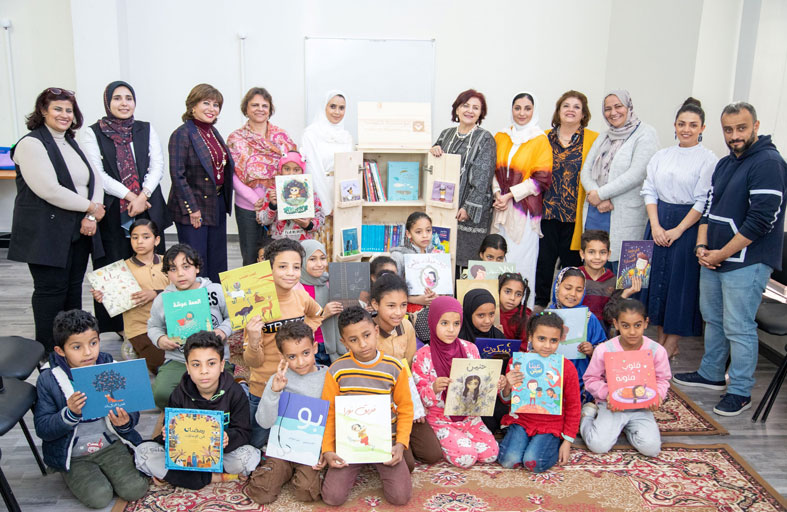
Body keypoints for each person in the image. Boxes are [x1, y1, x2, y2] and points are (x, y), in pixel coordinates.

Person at [674, 102, 787, 416]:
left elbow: (761, 221)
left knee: (739, 326)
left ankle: (740, 391)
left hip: (747, 262)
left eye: (741, 128)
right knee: (713, 318)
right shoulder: (725, 163)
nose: (734, 135)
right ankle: (711, 374)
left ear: (756, 126)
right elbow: (708, 209)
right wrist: (701, 247)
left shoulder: (769, 163)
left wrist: (721, 253)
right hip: (713, 258)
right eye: (728, 129)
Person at [9, 87, 105, 353]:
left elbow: (95, 179)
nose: (64, 115)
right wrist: (91, 207)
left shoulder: (72, 142)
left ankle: (72, 350)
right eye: (58, 109)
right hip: (46, 234)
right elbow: (49, 190)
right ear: (43, 111)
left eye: (69, 110)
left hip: (78, 230)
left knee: (73, 291)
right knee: (51, 293)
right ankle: (48, 354)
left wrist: (91, 214)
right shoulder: (31, 144)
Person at [33, 310, 148, 509]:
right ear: (60, 351)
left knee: (135, 490)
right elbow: (43, 428)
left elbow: (132, 410)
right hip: (75, 455)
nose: (88, 353)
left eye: (93, 343)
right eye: (77, 347)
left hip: (110, 445)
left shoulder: (110, 366)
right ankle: (69, 473)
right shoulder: (49, 379)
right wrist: (69, 414)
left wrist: (125, 422)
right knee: (99, 498)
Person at [83, 81, 171, 334]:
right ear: (107, 102)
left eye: (128, 98)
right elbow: (97, 173)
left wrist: (143, 196)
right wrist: (131, 196)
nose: (124, 103)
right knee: (115, 264)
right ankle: (122, 328)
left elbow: (157, 165)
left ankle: (156, 319)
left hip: (148, 206)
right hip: (113, 210)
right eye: (117, 98)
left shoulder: (145, 129)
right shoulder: (93, 133)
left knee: (151, 262)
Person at [640, 98, 718, 358]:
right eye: (682, 123)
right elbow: (649, 190)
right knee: (656, 281)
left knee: (679, 283)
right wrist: (656, 226)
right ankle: (661, 340)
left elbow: (703, 200)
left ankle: (671, 343)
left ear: (702, 128)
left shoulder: (708, 159)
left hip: (687, 226)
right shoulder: (661, 156)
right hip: (657, 220)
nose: (686, 129)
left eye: (693, 125)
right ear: (674, 125)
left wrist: (678, 230)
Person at [135, 331, 260, 489]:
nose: (204, 371)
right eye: (196, 364)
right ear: (187, 367)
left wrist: (228, 437)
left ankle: (180, 477)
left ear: (222, 365)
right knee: (143, 452)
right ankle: (213, 477)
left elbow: (244, 432)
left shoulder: (235, 392)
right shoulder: (179, 394)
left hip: (219, 454)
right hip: (187, 455)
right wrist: (168, 435)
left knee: (250, 456)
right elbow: (169, 434)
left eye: (211, 363)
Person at [320, 306, 413, 506]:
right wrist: (328, 449)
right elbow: (329, 412)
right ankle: (362, 463)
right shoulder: (336, 371)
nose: (363, 344)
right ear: (344, 343)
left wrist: (400, 443)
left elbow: (405, 408)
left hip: (386, 442)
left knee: (400, 497)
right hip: (349, 444)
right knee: (332, 497)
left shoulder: (394, 367)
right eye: (353, 340)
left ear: (376, 331)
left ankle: (402, 456)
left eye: (367, 335)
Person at [244, 238, 323, 447]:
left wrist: (304, 333)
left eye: (296, 267)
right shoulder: (255, 304)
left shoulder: (301, 297)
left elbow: (318, 314)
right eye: (282, 267)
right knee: (256, 444)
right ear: (269, 269)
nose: (290, 273)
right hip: (263, 387)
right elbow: (252, 362)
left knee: (294, 444)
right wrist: (253, 340)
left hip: (296, 386)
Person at [412, 297, 503, 468]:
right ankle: (449, 440)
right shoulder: (423, 356)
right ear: (432, 322)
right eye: (444, 323)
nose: (451, 330)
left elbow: (480, 388)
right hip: (440, 418)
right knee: (466, 458)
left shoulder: (470, 349)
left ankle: (461, 439)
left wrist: (494, 385)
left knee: (490, 454)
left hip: (470, 417)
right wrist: (434, 388)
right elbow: (417, 398)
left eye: (456, 323)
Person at [245, 322, 327, 504]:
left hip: (311, 451)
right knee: (261, 492)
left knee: (307, 493)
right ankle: (280, 470)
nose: (301, 362)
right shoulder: (278, 380)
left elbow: (333, 419)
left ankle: (304, 474)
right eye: (292, 356)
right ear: (282, 357)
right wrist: (274, 392)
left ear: (315, 348)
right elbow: (264, 422)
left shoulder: (328, 377)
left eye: (305, 353)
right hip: (281, 450)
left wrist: (327, 450)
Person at [579, 90, 660, 271]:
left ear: (629, 107)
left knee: (629, 277)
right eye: (608, 109)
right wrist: (597, 196)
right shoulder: (605, 136)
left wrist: (600, 194)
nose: (613, 112)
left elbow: (637, 173)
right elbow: (586, 171)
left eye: (618, 106)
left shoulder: (646, 134)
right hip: (597, 214)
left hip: (628, 217)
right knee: (596, 275)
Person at [371, 273, 443, 469]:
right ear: (375, 304)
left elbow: (411, 367)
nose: (398, 312)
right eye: (391, 306)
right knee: (406, 464)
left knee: (433, 454)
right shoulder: (368, 333)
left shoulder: (407, 326)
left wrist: (415, 405)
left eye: (403, 305)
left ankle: (404, 435)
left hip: (405, 397)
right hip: (380, 402)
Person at [581, 299, 671, 457]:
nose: (632, 332)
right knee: (598, 445)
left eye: (637, 325)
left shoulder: (656, 350)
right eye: (625, 325)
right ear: (616, 324)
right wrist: (608, 394)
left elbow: (663, 379)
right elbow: (591, 379)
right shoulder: (605, 349)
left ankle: (628, 428)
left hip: (641, 407)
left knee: (651, 448)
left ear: (645, 323)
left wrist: (658, 395)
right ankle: (587, 416)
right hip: (612, 405)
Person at [147, 244, 232, 410]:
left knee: (224, 394)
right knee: (161, 394)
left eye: (186, 267)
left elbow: (233, 317)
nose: (180, 273)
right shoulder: (163, 299)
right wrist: (161, 339)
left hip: (215, 357)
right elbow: (153, 326)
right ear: (167, 273)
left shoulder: (215, 290)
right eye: (173, 269)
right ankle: (190, 405)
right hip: (179, 359)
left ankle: (195, 404)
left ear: (197, 268)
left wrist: (223, 331)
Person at [535, 91, 599, 307]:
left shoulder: (594, 139)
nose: (571, 110)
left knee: (571, 265)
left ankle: (567, 306)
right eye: (566, 106)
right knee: (543, 262)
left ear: (583, 114)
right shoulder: (543, 137)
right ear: (558, 111)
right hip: (547, 211)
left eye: (576, 107)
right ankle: (540, 305)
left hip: (575, 215)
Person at [167, 83, 234, 283]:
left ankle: (215, 298)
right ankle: (196, 300)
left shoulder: (212, 132)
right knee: (196, 261)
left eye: (216, 104)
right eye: (206, 103)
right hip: (193, 207)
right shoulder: (182, 134)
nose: (211, 108)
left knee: (217, 259)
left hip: (216, 202)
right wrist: (192, 209)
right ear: (192, 106)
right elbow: (177, 175)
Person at [492, 92, 553, 309]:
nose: (522, 113)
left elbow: (541, 179)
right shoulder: (502, 136)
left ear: (534, 111)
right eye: (517, 108)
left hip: (524, 213)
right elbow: (492, 170)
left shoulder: (539, 139)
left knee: (520, 262)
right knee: (498, 260)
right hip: (500, 208)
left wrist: (510, 195)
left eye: (527, 108)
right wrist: (497, 193)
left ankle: (522, 313)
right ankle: (496, 313)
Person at [498, 312, 580, 472]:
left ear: (560, 339)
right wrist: (507, 385)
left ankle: (550, 442)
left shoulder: (566, 367)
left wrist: (567, 441)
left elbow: (574, 406)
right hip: (521, 421)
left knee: (533, 462)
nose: (547, 345)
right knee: (509, 461)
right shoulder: (517, 362)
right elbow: (506, 400)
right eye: (541, 338)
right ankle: (524, 440)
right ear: (530, 336)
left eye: (553, 340)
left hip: (551, 425)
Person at [228, 87, 296, 266]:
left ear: (270, 109)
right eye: (255, 105)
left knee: (279, 257)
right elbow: (232, 176)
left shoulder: (282, 137)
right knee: (251, 256)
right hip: (248, 207)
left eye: (264, 106)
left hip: (278, 206)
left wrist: (273, 200)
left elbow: (295, 169)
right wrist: (256, 200)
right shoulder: (236, 138)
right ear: (246, 108)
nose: (260, 109)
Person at [91, 219, 168, 373]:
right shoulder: (120, 270)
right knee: (163, 365)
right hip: (141, 328)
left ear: (157, 240)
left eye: (146, 237)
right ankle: (131, 345)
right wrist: (103, 296)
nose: (140, 242)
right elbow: (114, 299)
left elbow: (183, 291)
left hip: (171, 325)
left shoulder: (169, 263)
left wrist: (156, 293)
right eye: (134, 237)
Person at [431, 89, 497, 268]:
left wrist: (468, 207)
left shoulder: (485, 138)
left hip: (469, 209)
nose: (470, 110)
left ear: (481, 113)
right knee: (441, 256)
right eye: (465, 105)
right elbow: (435, 163)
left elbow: (483, 177)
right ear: (457, 109)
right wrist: (434, 149)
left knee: (466, 262)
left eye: (476, 107)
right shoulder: (446, 134)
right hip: (444, 205)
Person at [301, 90, 353, 258]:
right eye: (332, 106)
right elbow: (312, 169)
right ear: (324, 107)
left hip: (341, 193)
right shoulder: (311, 134)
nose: (337, 112)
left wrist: (343, 201)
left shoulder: (346, 136)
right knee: (320, 244)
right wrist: (326, 205)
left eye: (341, 108)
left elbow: (350, 168)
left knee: (340, 244)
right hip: (319, 192)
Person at [548, 267, 607, 394]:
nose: (573, 294)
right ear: (557, 287)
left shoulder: (589, 318)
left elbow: (604, 349)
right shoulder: (545, 317)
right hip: (549, 378)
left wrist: (592, 350)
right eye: (568, 288)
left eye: (579, 290)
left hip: (580, 379)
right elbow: (533, 346)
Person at [458, 288, 507, 432]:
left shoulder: (498, 337)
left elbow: (504, 368)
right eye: (481, 315)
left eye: (491, 314)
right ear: (468, 313)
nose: (488, 320)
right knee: (487, 422)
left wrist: (502, 379)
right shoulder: (459, 338)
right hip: (467, 394)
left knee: (503, 415)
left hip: (492, 393)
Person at [390, 212, 441, 341]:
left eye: (428, 230)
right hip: (408, 305)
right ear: (408, 234)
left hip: (433, 303)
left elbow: (442, 284)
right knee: (425, 319)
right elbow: (390, 289)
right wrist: (417, 300)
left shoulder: (435, 253)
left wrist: (438, 297)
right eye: (418, 232)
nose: (425, 235)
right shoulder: (399, 256)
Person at [579, 230, 640, 333]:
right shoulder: (574, 276)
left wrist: (625, 294)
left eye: (602, 252)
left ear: (609, 254)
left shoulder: (613, 281)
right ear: (582, 253)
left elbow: (610, 317)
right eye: (591, 252)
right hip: (575, 335)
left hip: (601, 336)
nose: (597, 257)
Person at [257, 151, 325, 241]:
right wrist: (272, 206)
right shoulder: (272, 192)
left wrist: (309, 225)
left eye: (296, 170)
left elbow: (320, 216)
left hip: (303, 242)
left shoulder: (309, 192)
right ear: (281, 170)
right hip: (279, 242)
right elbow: (263, 220)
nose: (291, 173)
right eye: (287, 169)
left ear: (302, 171)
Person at [300, 239, 342, 365]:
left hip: (334, 347)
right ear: (302, 261)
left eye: (323, 258)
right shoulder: (296, 288)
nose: (319, 264)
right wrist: (324, 314)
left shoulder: (331, 281)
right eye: (312, 259)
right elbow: (295, 325)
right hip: (309, 348)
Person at [498, 272, 530, 351]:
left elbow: (524, 349)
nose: (512, 298)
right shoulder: (489, 311)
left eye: (518, 294)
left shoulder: (524, 317)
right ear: (499, 290)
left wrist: (502, 339)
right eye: (507, 292)